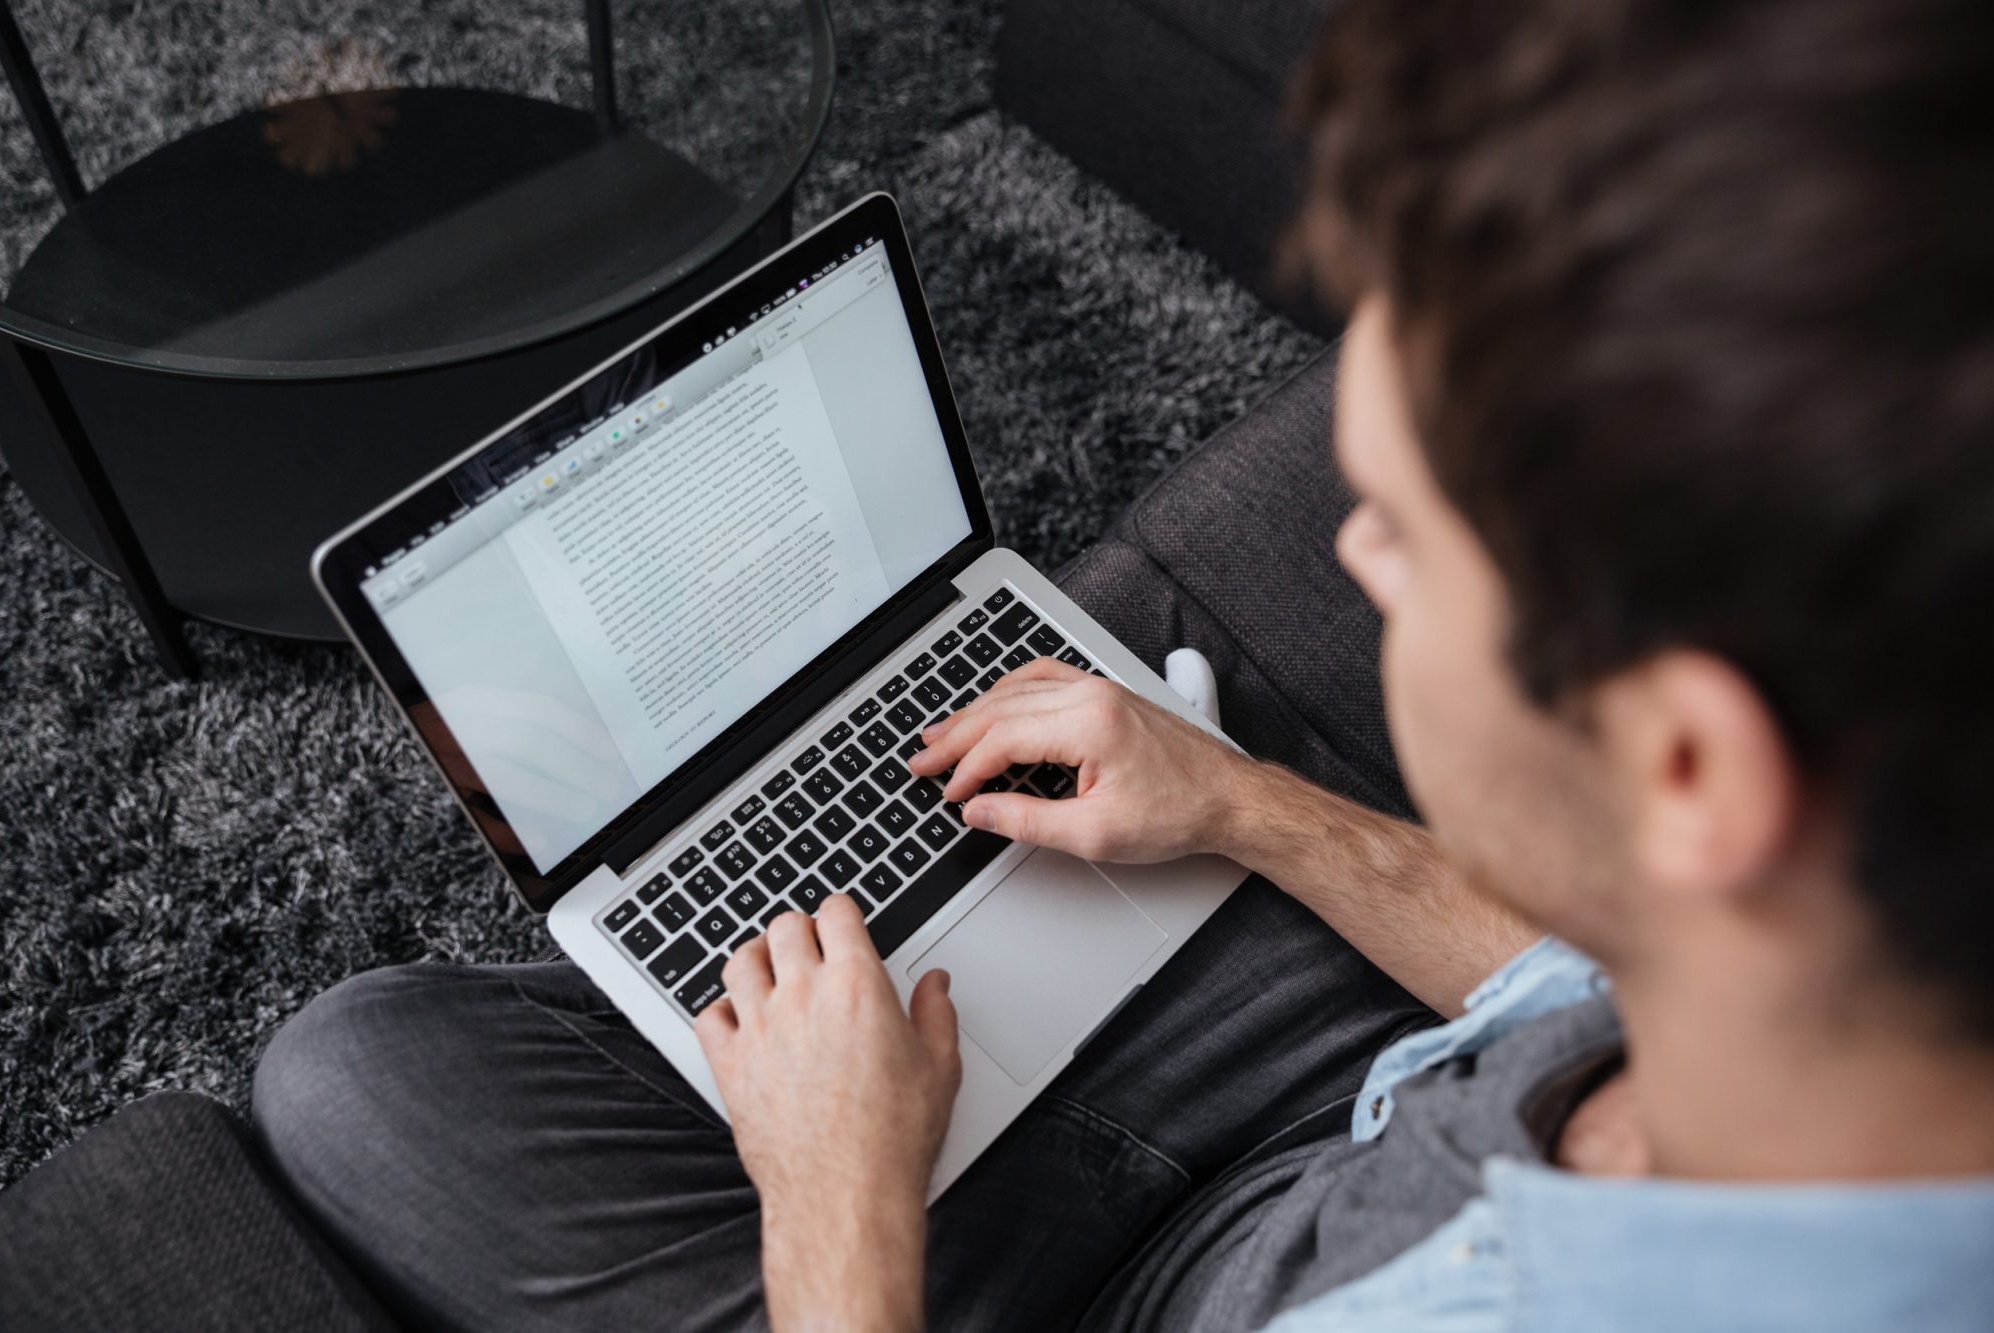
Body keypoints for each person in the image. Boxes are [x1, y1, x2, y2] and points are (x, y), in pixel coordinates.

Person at [252, 0, 1994, 1327]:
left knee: (358, 1084)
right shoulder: (1835, 1029)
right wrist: (1248, 806)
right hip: (1355, 1079)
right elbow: (1578, 986)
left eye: (1405, 533)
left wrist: (841, 1205)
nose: (1355, 557)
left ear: (1690, 765)